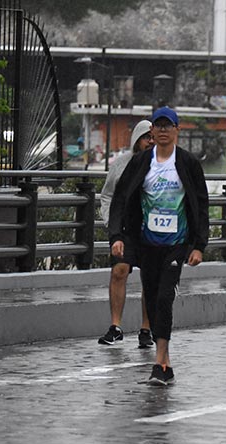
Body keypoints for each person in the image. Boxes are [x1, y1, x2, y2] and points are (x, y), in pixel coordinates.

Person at [109, 107, 209, 386]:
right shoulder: (141, 162)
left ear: (177, 130)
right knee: (152, 299)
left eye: (169, 125)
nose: (163, 130)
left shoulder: (188, 163)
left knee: (165, 298)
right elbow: (120, 199)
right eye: (158, 125)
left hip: (176, 246)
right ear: (151, 131)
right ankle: (162, 357)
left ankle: (161, 362)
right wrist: (117, 236)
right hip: (146, 244)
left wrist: (199, 245)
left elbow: (201, 204)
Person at [98, 120, 154, 347]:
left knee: (150, 280)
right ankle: (115, 326)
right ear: (136, 140)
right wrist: (111, 224)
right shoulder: (121, 164)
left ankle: (146, 329)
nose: (149, 142)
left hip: (153, 231)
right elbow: (108, 195)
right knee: (119, 270)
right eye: (145, 138)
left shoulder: (163, 166)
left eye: (153, 137)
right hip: (126, 231)